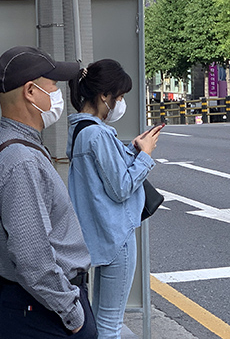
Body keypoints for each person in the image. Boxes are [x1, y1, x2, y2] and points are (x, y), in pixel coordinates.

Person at [0, 46, 96, 338]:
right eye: (53, 87)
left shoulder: (1, 143)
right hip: (43, 312)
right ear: (31, 92)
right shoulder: (21, 160)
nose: (57, 95)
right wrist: (73, 315)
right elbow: (33, 258)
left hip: (31, 305)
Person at [66, 59, 160, 339]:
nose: (120, 103)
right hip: (117, 237)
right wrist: (145, 155)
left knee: (99, 320)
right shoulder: (97, 134)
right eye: (118, 97)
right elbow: (121, 187)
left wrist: (132, 149)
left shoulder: (79, 130)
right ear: (103, 96)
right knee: (110, 325)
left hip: (97, 236)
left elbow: (104, 175)